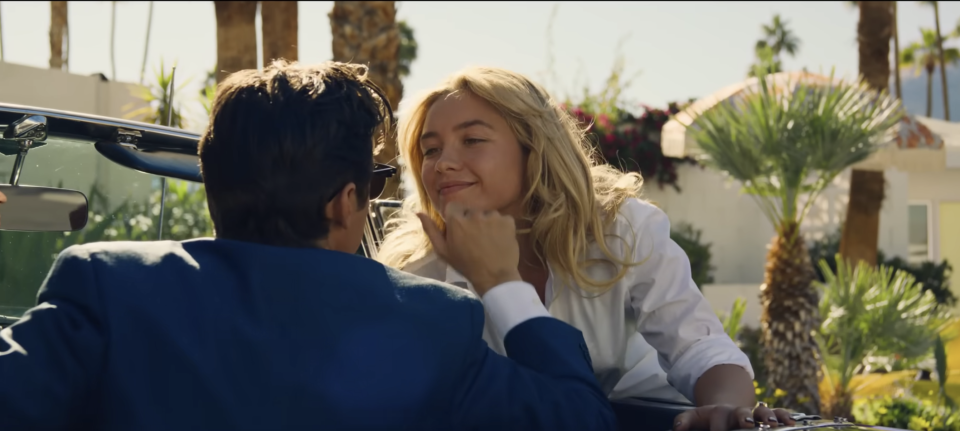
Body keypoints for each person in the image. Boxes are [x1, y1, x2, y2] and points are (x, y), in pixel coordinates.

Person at [0, 61, 616, 431]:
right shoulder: (434, 322)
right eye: (376, 185)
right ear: (343, 201)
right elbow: (581, 421)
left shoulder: (107, 284)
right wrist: (503, 283)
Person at [376, 66, 797, 431]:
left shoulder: (620, 228)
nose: (443, 162)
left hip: (645, 417)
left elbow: (697, 345)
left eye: (472, 140)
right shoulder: (416, 269)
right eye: (430, 150)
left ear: (534, 148)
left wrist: (727, 408)